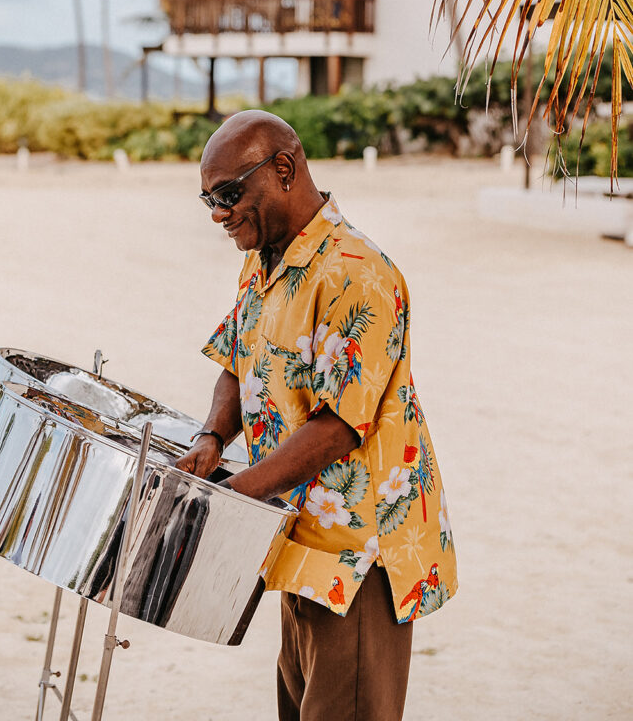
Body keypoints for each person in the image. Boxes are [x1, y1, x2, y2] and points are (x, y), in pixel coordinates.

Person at [176, 110, 457, 721]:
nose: (220, 214)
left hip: (359, 556)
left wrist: (234, 496)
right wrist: (211, 437)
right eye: (209, 200)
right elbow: (236, 356)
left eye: (229, 195)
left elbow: (338, 427)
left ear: (284, 169)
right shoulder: (264, 258)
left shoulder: (357, 275)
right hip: (298, 537)